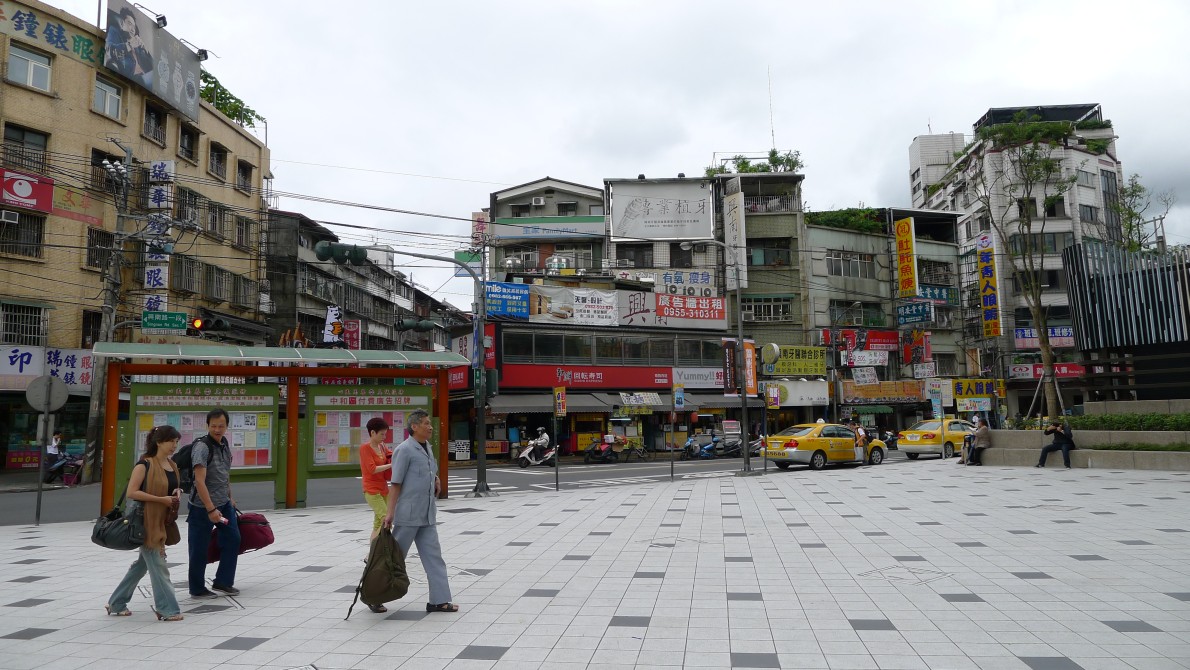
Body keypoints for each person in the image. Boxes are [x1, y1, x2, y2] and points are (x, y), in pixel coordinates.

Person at [382, 410, 458, 613]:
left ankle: (439, 600)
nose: (430, 427)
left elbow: (427, 471)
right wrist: (390, 513)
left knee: (434, 557)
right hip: (408, 516)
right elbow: (396, 483)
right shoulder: (404, 450)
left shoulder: (427, 447)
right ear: (414, 427)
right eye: (425, 423)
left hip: (427, 514)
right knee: (394, 559)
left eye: (429, 423)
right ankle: (374, 595)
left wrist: (436, 478)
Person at [105, 425, 184, 621]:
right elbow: (132, 492)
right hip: (145, 521)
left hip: (162, 520)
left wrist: (177, 492)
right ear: (159, 442)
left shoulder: (172, 465)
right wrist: (161, 499)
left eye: (176, 441)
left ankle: (116, 602)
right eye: (170, 441)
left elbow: (172, 487)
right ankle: (167, 609)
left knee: (142, 565)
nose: (174, 445)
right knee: (158, 565)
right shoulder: (144, 465)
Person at [187, 408, 240, 599]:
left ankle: (223, 581)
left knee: (233, 539)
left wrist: (230, 497)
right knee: (199, 548)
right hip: (202, 507)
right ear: (207, 425)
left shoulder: (224, 443)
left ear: (227, 426)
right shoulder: (202, 447)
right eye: (214, 426)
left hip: (224, 503)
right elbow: (199, 481)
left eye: (221, 426)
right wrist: (210, 509)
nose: (217, 430)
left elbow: (225, 473)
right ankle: (197, 588)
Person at [359, 418, 393, 542]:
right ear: (372, 432)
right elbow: (372, 469)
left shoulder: (382, 446)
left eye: (385, 434)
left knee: (379, 522)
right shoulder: (365, 448)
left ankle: (373, 550)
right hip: (372, 490)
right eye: (382, 434)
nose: (384, 437)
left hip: (383, 488)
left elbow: (391, 455)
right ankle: (378, 548)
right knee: (386, 519)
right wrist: (391, 465)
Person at [105, 7, 154, 88]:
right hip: (132, 77)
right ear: (122, 24)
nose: (133, 29)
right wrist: (129, 45)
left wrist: (146, 50)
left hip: (143, 78)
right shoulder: (115, 32)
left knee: (158, 78)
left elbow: (152, 67)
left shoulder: (137, 45)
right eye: (130, 24)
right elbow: (109, 50)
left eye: (134, 27)